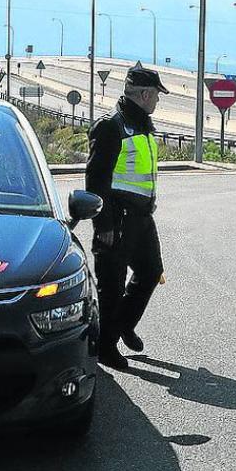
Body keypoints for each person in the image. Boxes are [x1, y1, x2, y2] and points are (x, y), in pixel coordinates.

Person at [85, 63, 168, 371]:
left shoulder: (143, 124)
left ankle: (122, 326)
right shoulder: (111, 126)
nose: (158, 101)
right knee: (112, 284)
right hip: (116, 217)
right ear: (144, 95)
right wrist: (102, 224)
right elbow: (96, 180)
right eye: (157, 95)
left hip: (141, 217)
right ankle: (106, 348)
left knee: (150, 273)